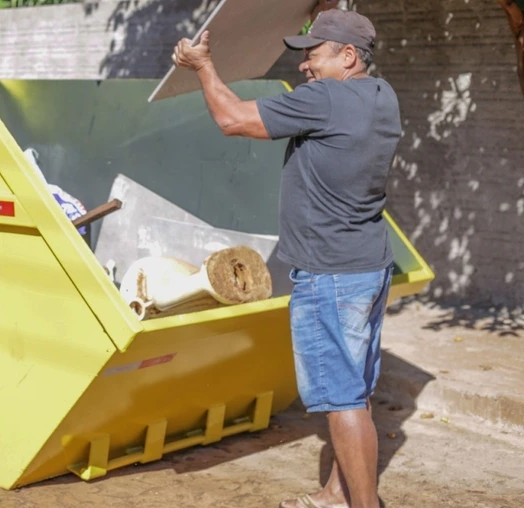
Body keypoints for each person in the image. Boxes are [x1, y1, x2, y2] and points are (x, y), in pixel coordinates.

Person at [171, 9, 400, 508]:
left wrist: (204, 67)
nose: (304, 67)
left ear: (347, 56)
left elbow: (233, 120)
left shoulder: (328, 99)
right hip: (369, 265)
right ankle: (337, 494)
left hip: (331, 272)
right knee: (352, 390)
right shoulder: (382, 97)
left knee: (341, 400)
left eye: (313, 55)